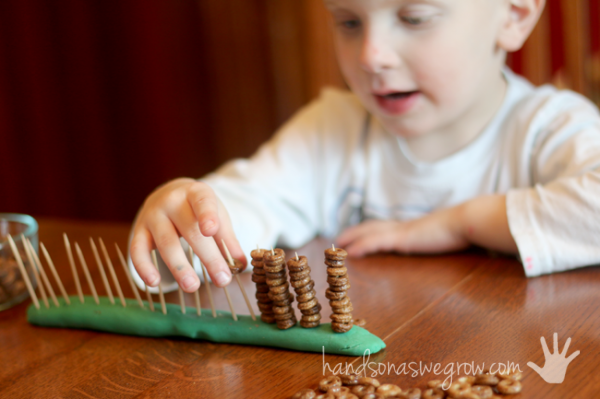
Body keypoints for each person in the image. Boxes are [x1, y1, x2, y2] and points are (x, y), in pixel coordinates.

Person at [129, 0, 600, 293]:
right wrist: (185, 220)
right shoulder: (333, 129)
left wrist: (460, 223)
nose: (372, 55)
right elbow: (249, 207)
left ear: (514, 14)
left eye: (414, 17)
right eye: (349, 22)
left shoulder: (548, 128)